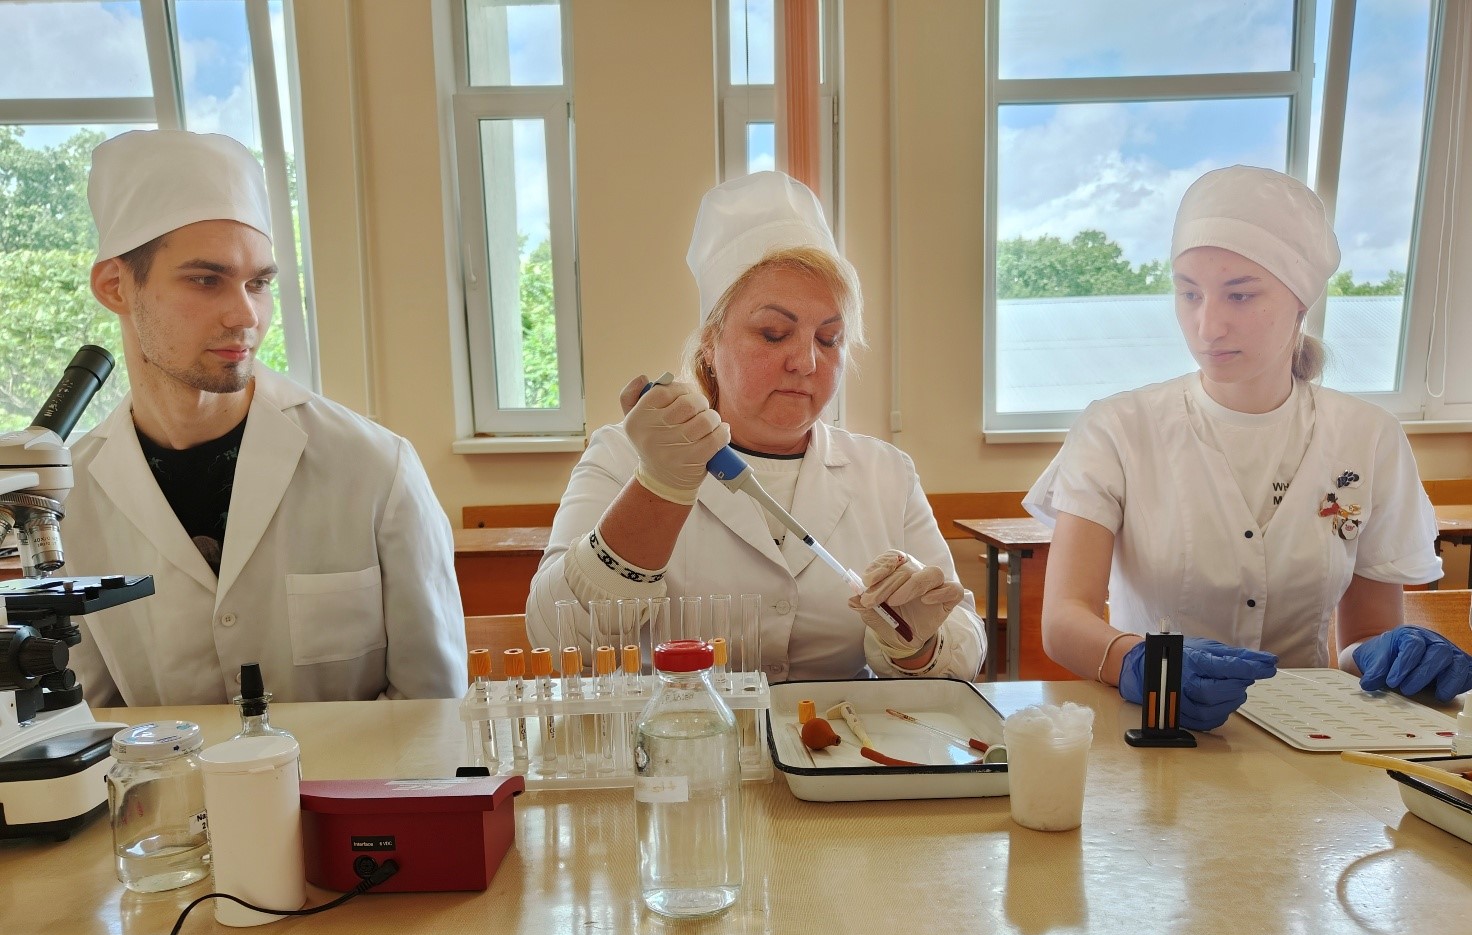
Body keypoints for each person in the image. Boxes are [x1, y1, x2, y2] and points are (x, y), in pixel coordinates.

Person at [1025, 164, 1471, 730]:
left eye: (1239, 295)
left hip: (1312, 740)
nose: (1208, 325)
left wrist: (1391, 655)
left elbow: (1361, 641)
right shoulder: (1118, 428)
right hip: (1154, 731)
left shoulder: (1368, 436)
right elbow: (1064, 619)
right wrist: (1141, 663)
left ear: (1301, 302)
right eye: (1189, 293)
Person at [528, 171, 985, 681]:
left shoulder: (885, 473)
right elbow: (557, 636)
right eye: (773, 333)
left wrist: (917, 645)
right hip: (677, 729)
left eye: (829, 339)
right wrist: (660, 486)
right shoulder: (622, 456)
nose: (806, 361)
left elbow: (965, 644)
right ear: (711, 342)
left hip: (836, 731)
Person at [63, 129, 465, 706]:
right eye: (206, 280)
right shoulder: (69, 497)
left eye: (259, 283)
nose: (245, 314)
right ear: (115, 286)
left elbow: (433, 709)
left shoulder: (375, 468)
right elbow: (91, 725)